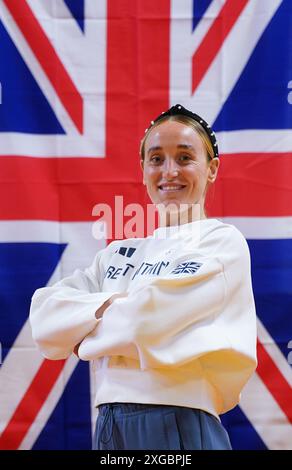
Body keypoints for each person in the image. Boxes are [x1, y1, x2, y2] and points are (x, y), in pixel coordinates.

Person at [29, 104, 258, 450]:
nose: (169, 172)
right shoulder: (119, 253)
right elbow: (44, 320)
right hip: (107, 424)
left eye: (184, 158)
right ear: (143, 170)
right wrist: (112, 305)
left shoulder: (221, 241)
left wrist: (84, 335)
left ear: (211, 169)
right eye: (156, 159)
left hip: (180, 418)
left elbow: (145, 321)